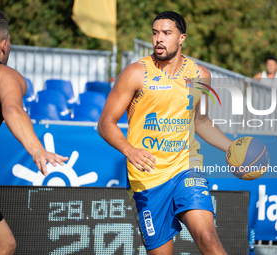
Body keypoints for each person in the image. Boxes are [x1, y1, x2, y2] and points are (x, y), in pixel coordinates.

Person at [98, 11, 232, 255]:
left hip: (185, 168)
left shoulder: (200, 75)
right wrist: (129, 150)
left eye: (167, 33)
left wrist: (231, 148)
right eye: (155, 32)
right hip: (147, 178)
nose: (159, 38)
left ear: (181, 38)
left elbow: (200, 120)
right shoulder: (136, 73)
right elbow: (105, 123)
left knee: (208, 237)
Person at [0, 11, 68, 254]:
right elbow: (12, 109)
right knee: (4, 245)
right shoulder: (5, 75)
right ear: (4, 44)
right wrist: (37, 149)